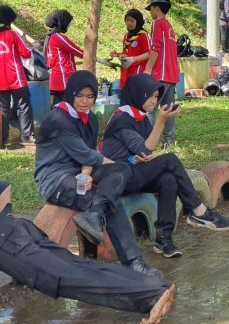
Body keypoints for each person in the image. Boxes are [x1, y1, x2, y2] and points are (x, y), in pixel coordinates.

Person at [33, 71, 161, 277]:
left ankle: (94, 215)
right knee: (110, 198)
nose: (85, 101)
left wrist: (86, 175)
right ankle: (133, 261)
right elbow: (87, 154)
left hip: (77, 172)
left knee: (121, 170)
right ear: (71, 93)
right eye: (80, 96)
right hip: (55, 180)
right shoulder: (58, 120)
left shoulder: (90, 119)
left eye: (90, 96)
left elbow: (89, 156)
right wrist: (100, 169)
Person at [0, 181, 176, 324]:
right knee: (80, 268)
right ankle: (157, 288)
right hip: (17, 229)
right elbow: (4, 186)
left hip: (9, 241)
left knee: (67, 278)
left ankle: (152, 295)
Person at [101, 73, 229, 258]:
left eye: (156, 96)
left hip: (131, 171)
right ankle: (197, 209)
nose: (154, 101)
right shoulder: (122, 118)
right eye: (149, 96)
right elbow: (145, 149)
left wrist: (138, 158)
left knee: (168, 180)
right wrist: (161, 122)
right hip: (115, 178)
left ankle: (164, 239)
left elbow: (143, 153)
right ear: (136, 94)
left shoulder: (140, 117)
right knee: (170, 160)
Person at [144, 0, 180, 148]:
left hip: (161, 74)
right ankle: (168, 141)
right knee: (168, 109)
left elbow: (156, 48)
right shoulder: (168, 25)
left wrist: (148, 68)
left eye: (151, 8)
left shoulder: (157, 23)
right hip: (172, 75)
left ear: (156, 8)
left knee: (150, 108)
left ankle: (148, 142)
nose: (150, 12)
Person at [0, 6, 35, 146]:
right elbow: (26, 53)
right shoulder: (13, 35)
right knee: (23, 106)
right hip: (16, 79)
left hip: (0, 81)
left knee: (3, 109)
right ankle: (27, 137)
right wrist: (29, 46)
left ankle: (3, 139)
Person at [44, 9, 83, 105]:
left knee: (58, 104)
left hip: (57, 76)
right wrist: (93, 56)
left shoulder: (50, 36)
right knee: (67, 105)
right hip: (63, 76)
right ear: (62, 22)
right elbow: (77, 51)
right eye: (68, 23)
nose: (69, 25)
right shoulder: (58, 37)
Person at [109, 9, 150, 89]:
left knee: (135, 92)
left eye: (132, 20)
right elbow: (126, 53)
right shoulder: (126, 36)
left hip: (138, 71)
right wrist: (118, 54)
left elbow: (149, 53)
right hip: (126, 71)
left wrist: (134, 59)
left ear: (138, 21)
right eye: (127, 20)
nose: (129, 23)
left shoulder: (144, 35)